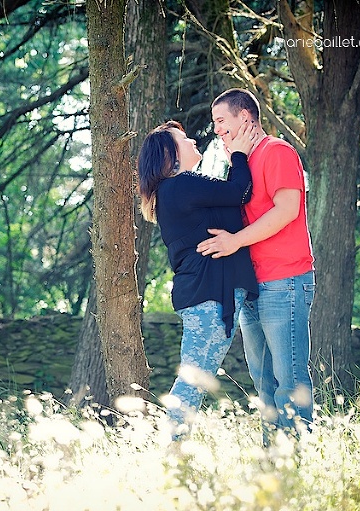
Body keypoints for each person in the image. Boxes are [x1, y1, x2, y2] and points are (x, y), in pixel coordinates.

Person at [197, 88, 316, 441]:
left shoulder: (277, 152)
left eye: (222, 121)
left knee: (289, 379)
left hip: (284, 281)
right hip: (251, 286)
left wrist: (234, 241)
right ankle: (272, 465)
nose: (216, 129)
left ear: (245, 118)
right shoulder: (242, 163)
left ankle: (296, 465)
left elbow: (287, 210)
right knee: (263, 383)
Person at [137, 120, 258, 438]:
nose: (192, 141)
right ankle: (171, 450)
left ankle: (173, 448)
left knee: (196, 377)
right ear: (170, 155)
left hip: (204, 294)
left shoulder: (175, 190)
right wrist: (240, 155)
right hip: (207, 296)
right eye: (183, 138)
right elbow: (239, 192)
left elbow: (228, 200)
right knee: (194, 379)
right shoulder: (181, 185)